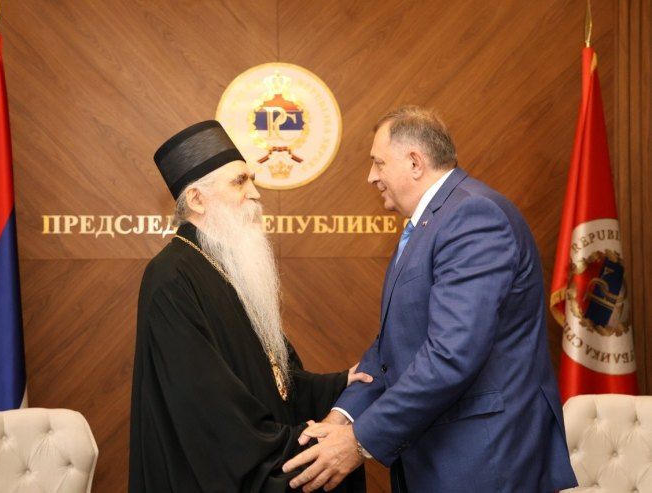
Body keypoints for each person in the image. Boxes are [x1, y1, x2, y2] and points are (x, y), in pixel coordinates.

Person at [283, 106, 578, 492]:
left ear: (415, 162)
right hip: (441, 453)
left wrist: (358, 440)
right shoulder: (432, 222)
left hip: (485, 459)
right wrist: (342, 417)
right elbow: (392, 347)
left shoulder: (473, 216)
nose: (371, 176)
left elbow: (452, 353)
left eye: (378, 163)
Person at [129, 120, 369, 492]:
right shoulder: (171, 278)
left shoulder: (231, 266)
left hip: (254, 443)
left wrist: (339, 383)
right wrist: (288, 443)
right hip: (213, 468)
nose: (255, 194)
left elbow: (274, 375)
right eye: (240, 182)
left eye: (252, 180)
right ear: (197, 199)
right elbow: (203, 403)